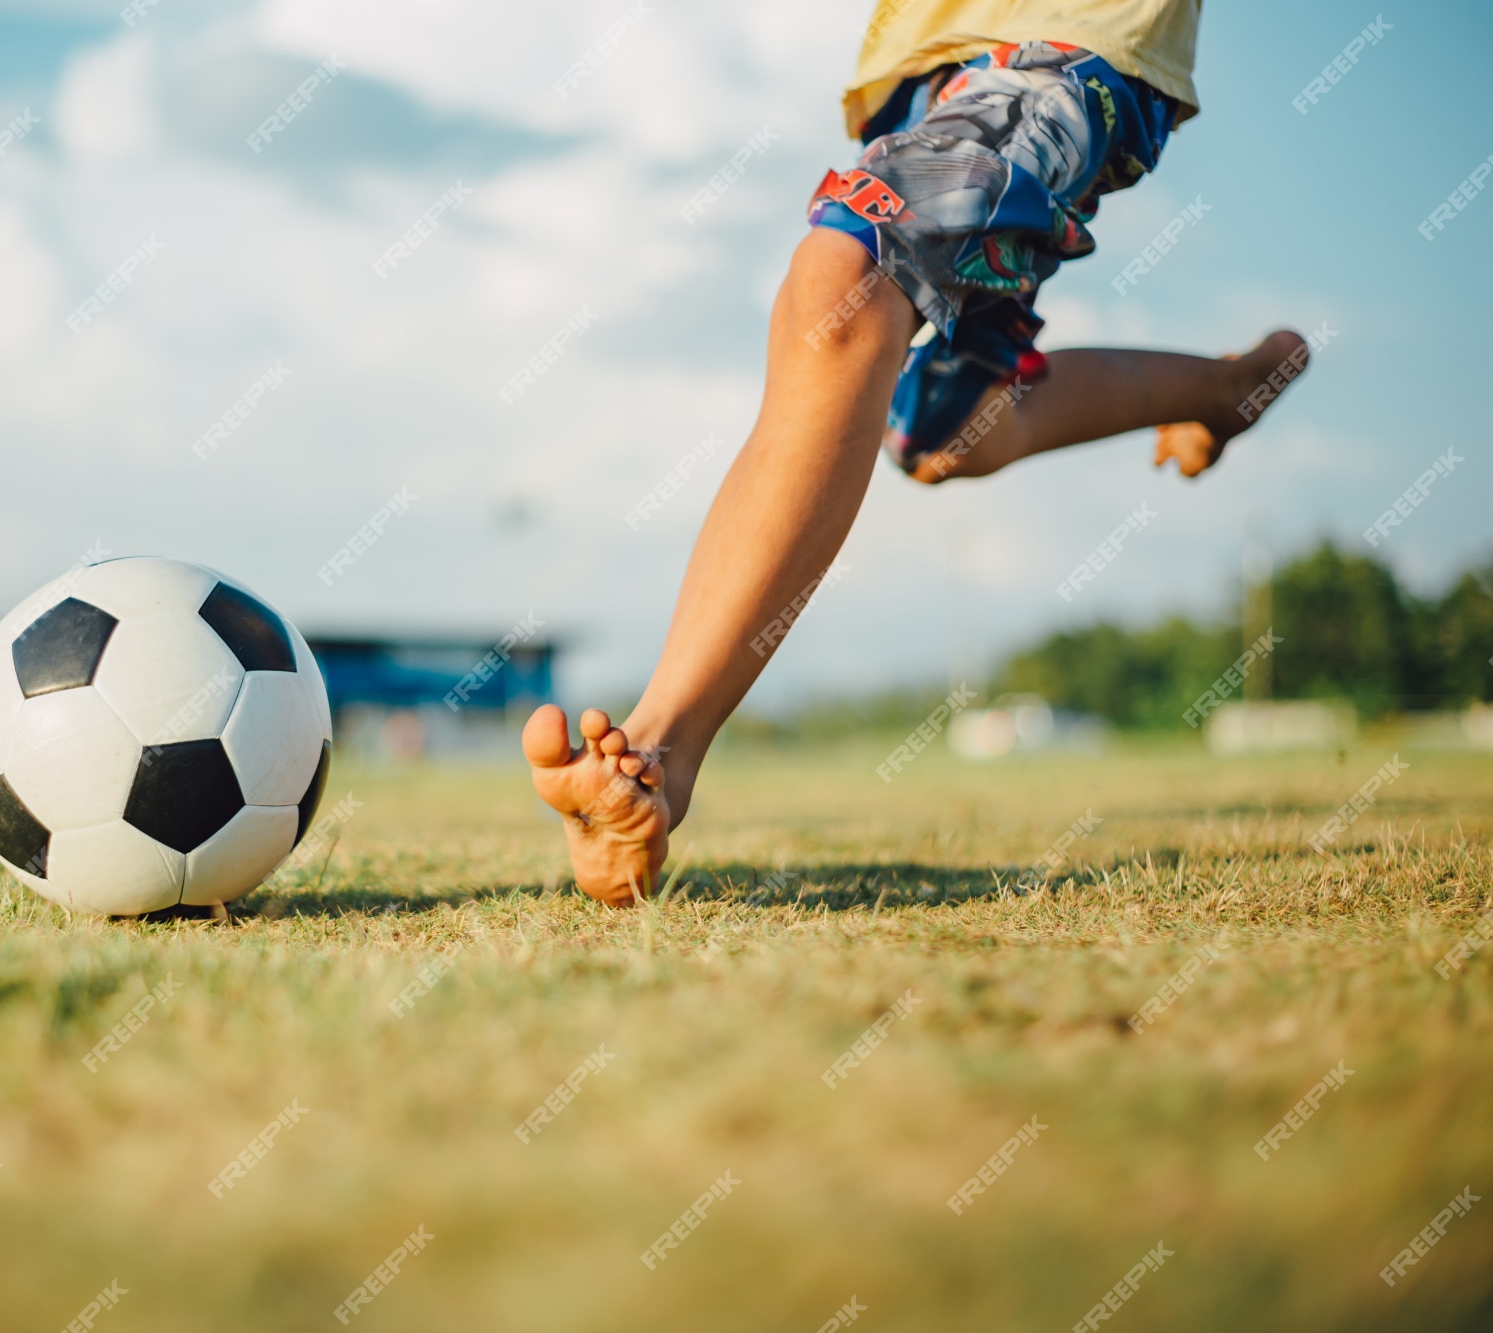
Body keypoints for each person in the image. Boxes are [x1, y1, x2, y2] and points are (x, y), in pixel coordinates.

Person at [524, 0, 1310, 905]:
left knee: (847, 279)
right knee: (943, 429)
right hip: (920, 80)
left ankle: (659, 754)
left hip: (1059, 42)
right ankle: (1219, 389)